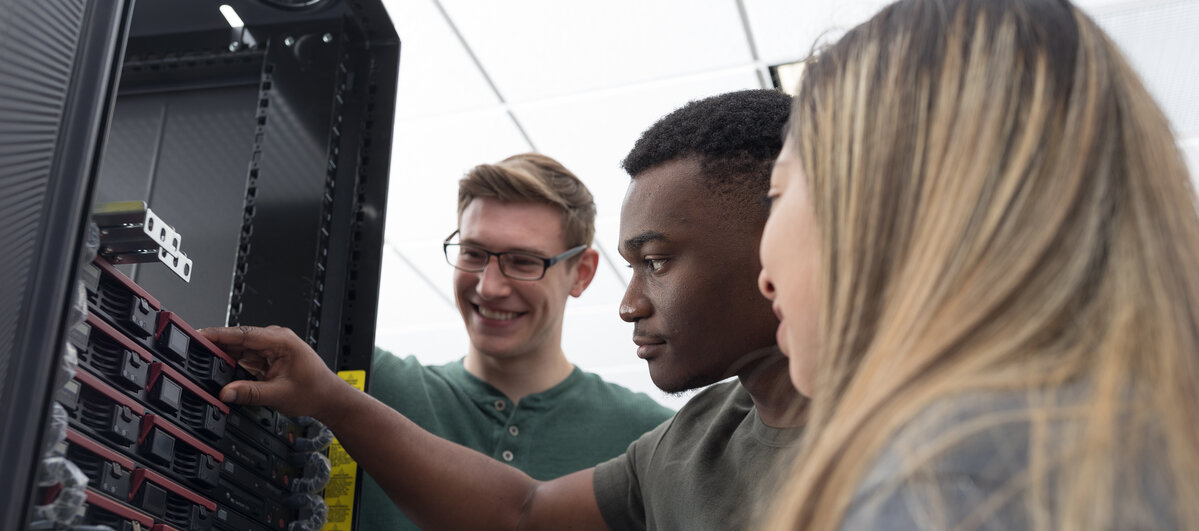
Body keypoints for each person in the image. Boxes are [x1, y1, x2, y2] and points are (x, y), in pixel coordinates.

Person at [202, 88, 802, 530]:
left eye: (658, 261)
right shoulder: (687, 445)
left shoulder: (884, 431)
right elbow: (523, 513)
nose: (631, 305)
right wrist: (331, 397)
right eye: (474, 254)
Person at [756, 0, 1199, 529]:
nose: (763, 279)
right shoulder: (1148, 444)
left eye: (776, 192)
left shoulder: (940, 491)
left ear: (891, 206)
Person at [360, 153, 674, 530]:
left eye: (523, 261)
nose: (488, 287)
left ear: (582, 273)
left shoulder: (653, 439)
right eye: (473, 254)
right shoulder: (369, 389)